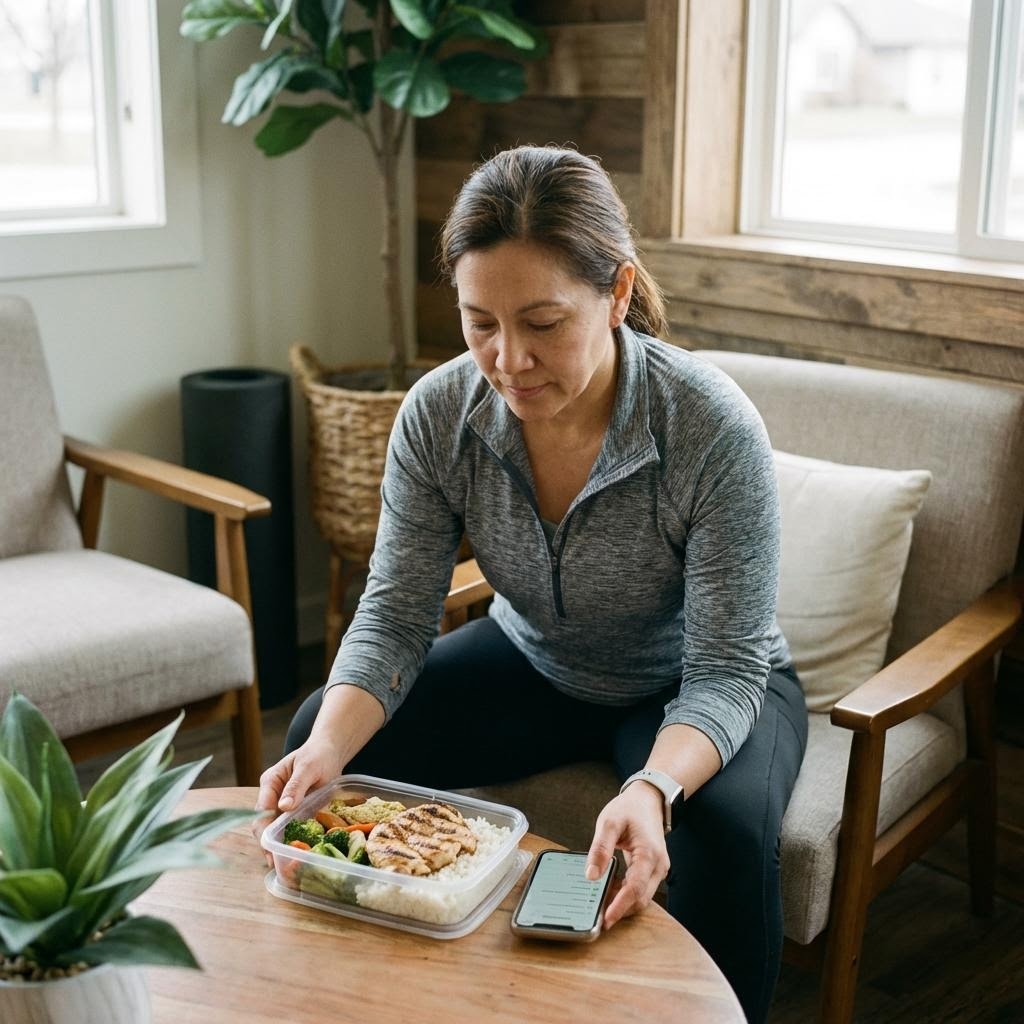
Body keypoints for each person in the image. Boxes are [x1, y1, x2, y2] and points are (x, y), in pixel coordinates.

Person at [256, 145, 808, 1023]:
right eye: (480, 322)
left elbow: (726, 668)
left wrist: (652, 788)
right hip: (535, 660)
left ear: (618, 293)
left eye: (543, 322)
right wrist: (327, 744)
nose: (507, 359)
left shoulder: (709, 427)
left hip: (691, 685)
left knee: (725, 840)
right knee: (322, 740)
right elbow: (396, 615)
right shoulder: (439, 414)